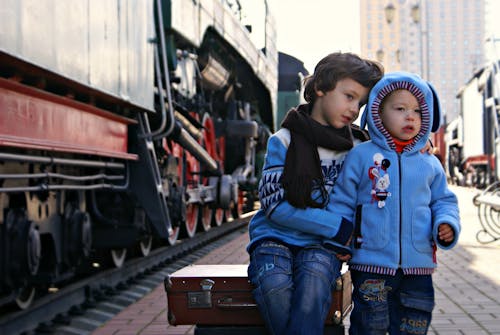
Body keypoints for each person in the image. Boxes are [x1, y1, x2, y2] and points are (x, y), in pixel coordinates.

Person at [246, 52, 384, 335]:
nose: (354, 109)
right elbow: (274, 206)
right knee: (273, 289)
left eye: (360, 102)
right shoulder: (282, 141)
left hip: (322, 245)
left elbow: (382, 177)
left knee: (312, 290)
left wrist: (421, 147)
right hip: (274, 237)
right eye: (349, 96)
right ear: (321, 87)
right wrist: (338, 228)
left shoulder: (358, 146)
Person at [330, 71, 461, 335]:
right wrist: (339, 238)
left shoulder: (429, 163)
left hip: (418, 265)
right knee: (370, 324)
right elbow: (342, 201)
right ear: (378, 112)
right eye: (400, 109)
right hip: (370, 263)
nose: (410, 116)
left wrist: (446, 223)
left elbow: (444, 201)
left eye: (417, 111)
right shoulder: (361, 156)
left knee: (415, 323)